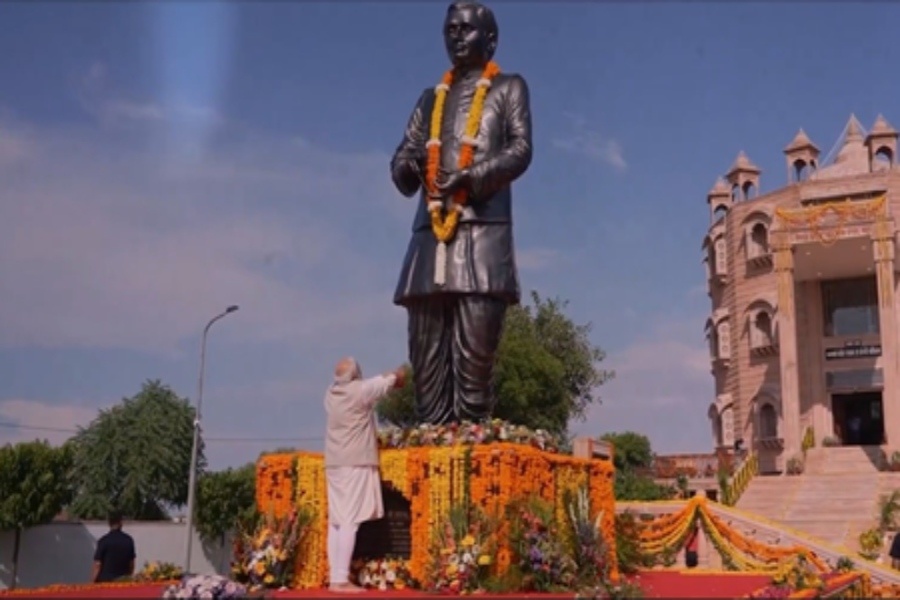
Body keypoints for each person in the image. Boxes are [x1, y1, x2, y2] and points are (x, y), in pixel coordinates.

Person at [390, 1, 533, 426]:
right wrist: (407, 166)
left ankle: (471, 468)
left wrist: (470, 177)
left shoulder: (509, 88)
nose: (456, 35)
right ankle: (429, 462)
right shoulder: (430, 99)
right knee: (427, 360)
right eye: (450, 28)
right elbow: (403, 158)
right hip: (429, 238)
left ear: (490, 40)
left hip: (483, 238)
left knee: (474, 365)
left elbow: (521, 150)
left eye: (467, 29)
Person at [324, 357, 406, 593]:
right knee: (350, 520)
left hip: (334, 463)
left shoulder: (330, 394)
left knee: (337, 521)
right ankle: (340, 580)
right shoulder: (360, 391)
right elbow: (392, 378)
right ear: (356, 375)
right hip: (355, 462)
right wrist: (398, 375)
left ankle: (334, 576)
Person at [91, 511, 136, 583]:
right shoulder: (128, 540)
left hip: (105, 582)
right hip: (123, 582)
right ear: (121, 522)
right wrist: (129, 577)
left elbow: (97, 564)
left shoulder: (104, 541)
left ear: (109, 523)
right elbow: (131, 563)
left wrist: (92, 582)